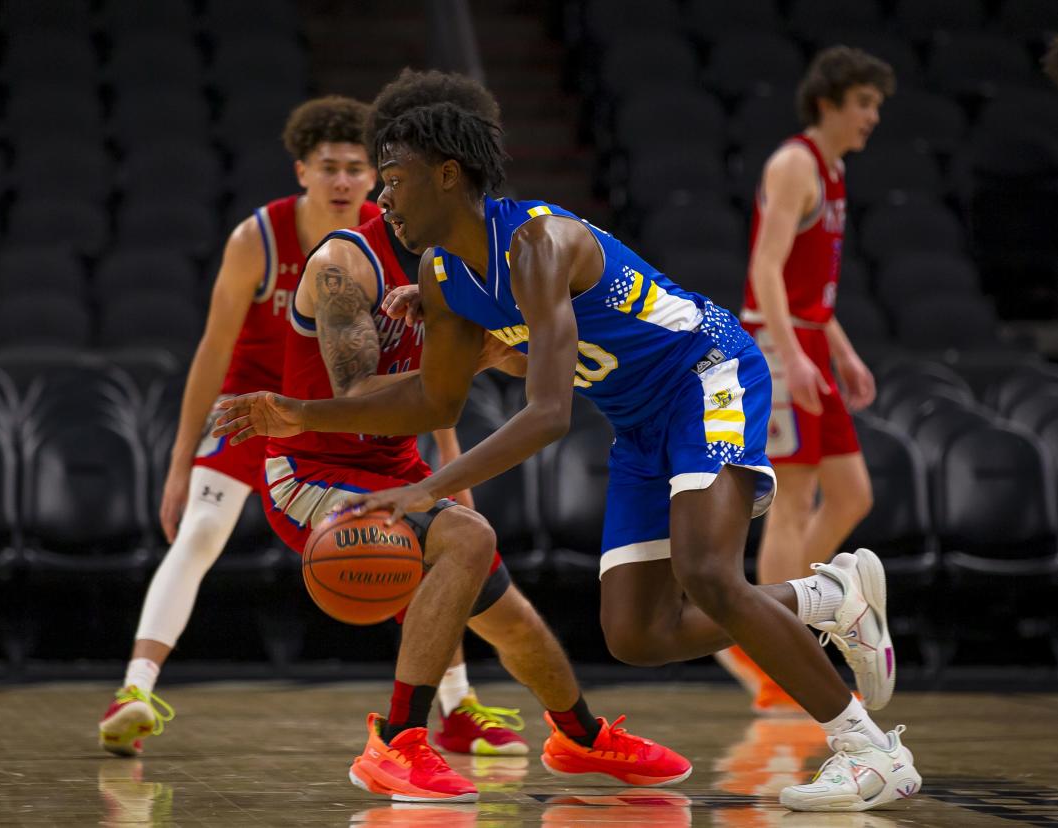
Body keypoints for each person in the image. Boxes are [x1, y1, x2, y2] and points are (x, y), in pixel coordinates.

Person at [215, 69, 920, 812]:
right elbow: (433, 398)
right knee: (637, 633)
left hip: (706, 374)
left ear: (447, 175)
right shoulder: (444, 272)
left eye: (392, 178)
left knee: (709, 573)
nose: (380, 197)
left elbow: (548, 412)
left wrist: (426, 489)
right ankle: (826, 595)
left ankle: (869, 748)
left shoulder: (538, 242)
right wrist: (297, 413)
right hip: (640, 420)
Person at [255, 101, 691, 800]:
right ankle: (396, 740)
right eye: (386, 185)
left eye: (397, 182)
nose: (388, 198)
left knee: (512, 617)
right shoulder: (346, 263)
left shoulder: (468, 264)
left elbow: (514, 365)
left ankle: (580, 738)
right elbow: (358, 388)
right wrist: (481, 363)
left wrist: (500, 351)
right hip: (312, 472)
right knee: (467, 536)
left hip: (397, 468)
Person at [99, 96, 513, 759]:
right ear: (303, 172)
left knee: (415, 541)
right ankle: (136, 690)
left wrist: (447, 467)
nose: (345, 181)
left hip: (342, 410)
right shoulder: (255, 239)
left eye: (357, 168)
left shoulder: (398, 233)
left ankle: (457, 705)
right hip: (256, 400)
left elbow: (427, 373)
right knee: (203, 529)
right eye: (330, 168)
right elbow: (213, 348)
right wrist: (181, 460)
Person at [718, 47, 896, 715]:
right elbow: (765, 272)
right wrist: (790, 354)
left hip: (808, 338)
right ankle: (774, 654)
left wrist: (839, 350)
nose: (872, 117)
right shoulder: (793, 164)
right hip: (775, 342)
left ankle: (757, 620)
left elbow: (810, 288)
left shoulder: (835, 169)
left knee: (851, 494)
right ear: (828, 102)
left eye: (877, 106)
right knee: (791, 503)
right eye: (864, 104)